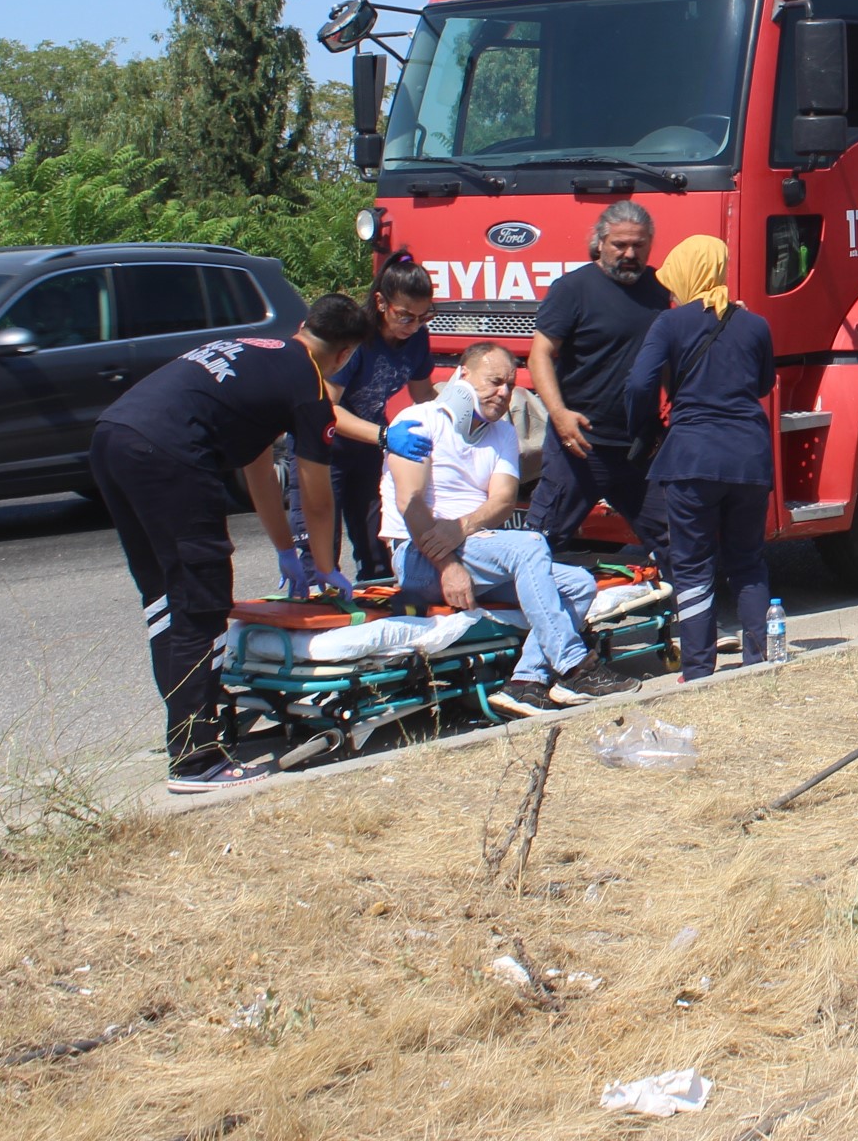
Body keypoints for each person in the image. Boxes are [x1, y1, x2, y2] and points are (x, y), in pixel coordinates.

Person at [91, 294, 373, 792]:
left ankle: (188, 729)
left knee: (166, 598)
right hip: (171, 451)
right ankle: (196, 760)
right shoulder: (309, 383)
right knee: (203, 602)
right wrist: (326, 566)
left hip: (113, 436)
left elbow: (258, 471)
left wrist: (286, 549)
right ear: (345, 354)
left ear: (304, 325)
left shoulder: (254, 348)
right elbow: (316, 494)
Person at [384, 342, 620, 715]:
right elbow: (408, 503)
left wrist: (462, 529)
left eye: (509, 385)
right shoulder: (417, 421)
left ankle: (525, 682)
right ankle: (575, 666)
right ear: (462, 374)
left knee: (579, 584)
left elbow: (502, 501)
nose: (504, 393)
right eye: (494, 381)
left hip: (474, 551)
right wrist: (449, 565)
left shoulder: (502, 433)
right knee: (528, 545)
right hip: (419, 557)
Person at [623, 235, 777, 682]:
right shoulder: (756, 325)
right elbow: (764, 383)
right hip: (750, 458)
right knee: (748, 560)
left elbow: (638, 384)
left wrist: (643, 427)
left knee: (693, 565)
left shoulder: (670, 325)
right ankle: (759, 660)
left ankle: (697, 669)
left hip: (691, 459)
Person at [527, 200, 676, 554]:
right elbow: (540, 356)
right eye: (619, 245)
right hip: (579, 444)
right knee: (540, 542)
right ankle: (512, 607)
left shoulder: (660, 290)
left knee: (676, 540)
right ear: (600, 243)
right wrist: (559, 415)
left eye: (638, 245)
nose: (629, 253)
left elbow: (669, 360)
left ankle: (687, 610)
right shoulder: (572, 289)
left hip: (637, 447)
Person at [288, 254, 437, 581]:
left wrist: (462, 413)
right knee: (320, 553)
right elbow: (327, 410)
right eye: (404, 316)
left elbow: (424, 395)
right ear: (381, 302)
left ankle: (375, 620)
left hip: (365, 449)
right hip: (323, 449)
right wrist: (386, 437)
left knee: (377, 550)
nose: (412, 326)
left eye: (423, 317)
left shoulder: (416, 339)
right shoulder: (357, 339)